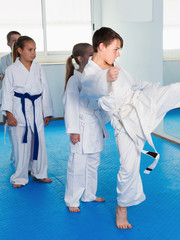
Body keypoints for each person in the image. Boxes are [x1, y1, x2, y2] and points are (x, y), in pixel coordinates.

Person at [80, 27, 180, 229]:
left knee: (177, 90)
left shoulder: (114, 65)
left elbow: (133, 82)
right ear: (101, 47)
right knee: (128, 167)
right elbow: (90, 86)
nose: (118, 54)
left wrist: (150, 88)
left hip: (141, 102)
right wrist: (105, 79)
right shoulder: (91, 73)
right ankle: (122, 208)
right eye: (116, 49)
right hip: (125, 123)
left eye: (119, 49)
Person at [1, 36, 53, 188]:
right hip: (19, 109)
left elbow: (45, 90)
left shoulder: (38, 68)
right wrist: (9, 114)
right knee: (20, 144)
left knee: (39, 143)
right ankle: (20, 177)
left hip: (36, 108)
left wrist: (47, 111)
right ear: (19, 50)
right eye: (30, 50)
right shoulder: (11, 70)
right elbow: (7, 93)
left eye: (35, 49)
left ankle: (40, 173)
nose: (33, 53)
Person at [63, 43, 109, 212]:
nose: (94, 56)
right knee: (77, 164)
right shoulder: (74, 80)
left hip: (95, 125)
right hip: (81, 127)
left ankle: (89, 194)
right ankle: (72, 200)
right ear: (80, 59)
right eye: (91, 54)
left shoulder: (95, 78)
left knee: (93, 163)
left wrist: (102, 125)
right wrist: (73, 130)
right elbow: (70, 106)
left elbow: (101, 102)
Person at [0, 31, 21, 163]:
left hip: (22, 97)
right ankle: (15, 151)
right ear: (8, 43)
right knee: (11, 127)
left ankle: (23, 153)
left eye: (19, 39)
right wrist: (2, 77)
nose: (16, 42)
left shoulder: (26, 57)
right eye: (14, 40)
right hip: (7, 97)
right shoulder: (4, 60)